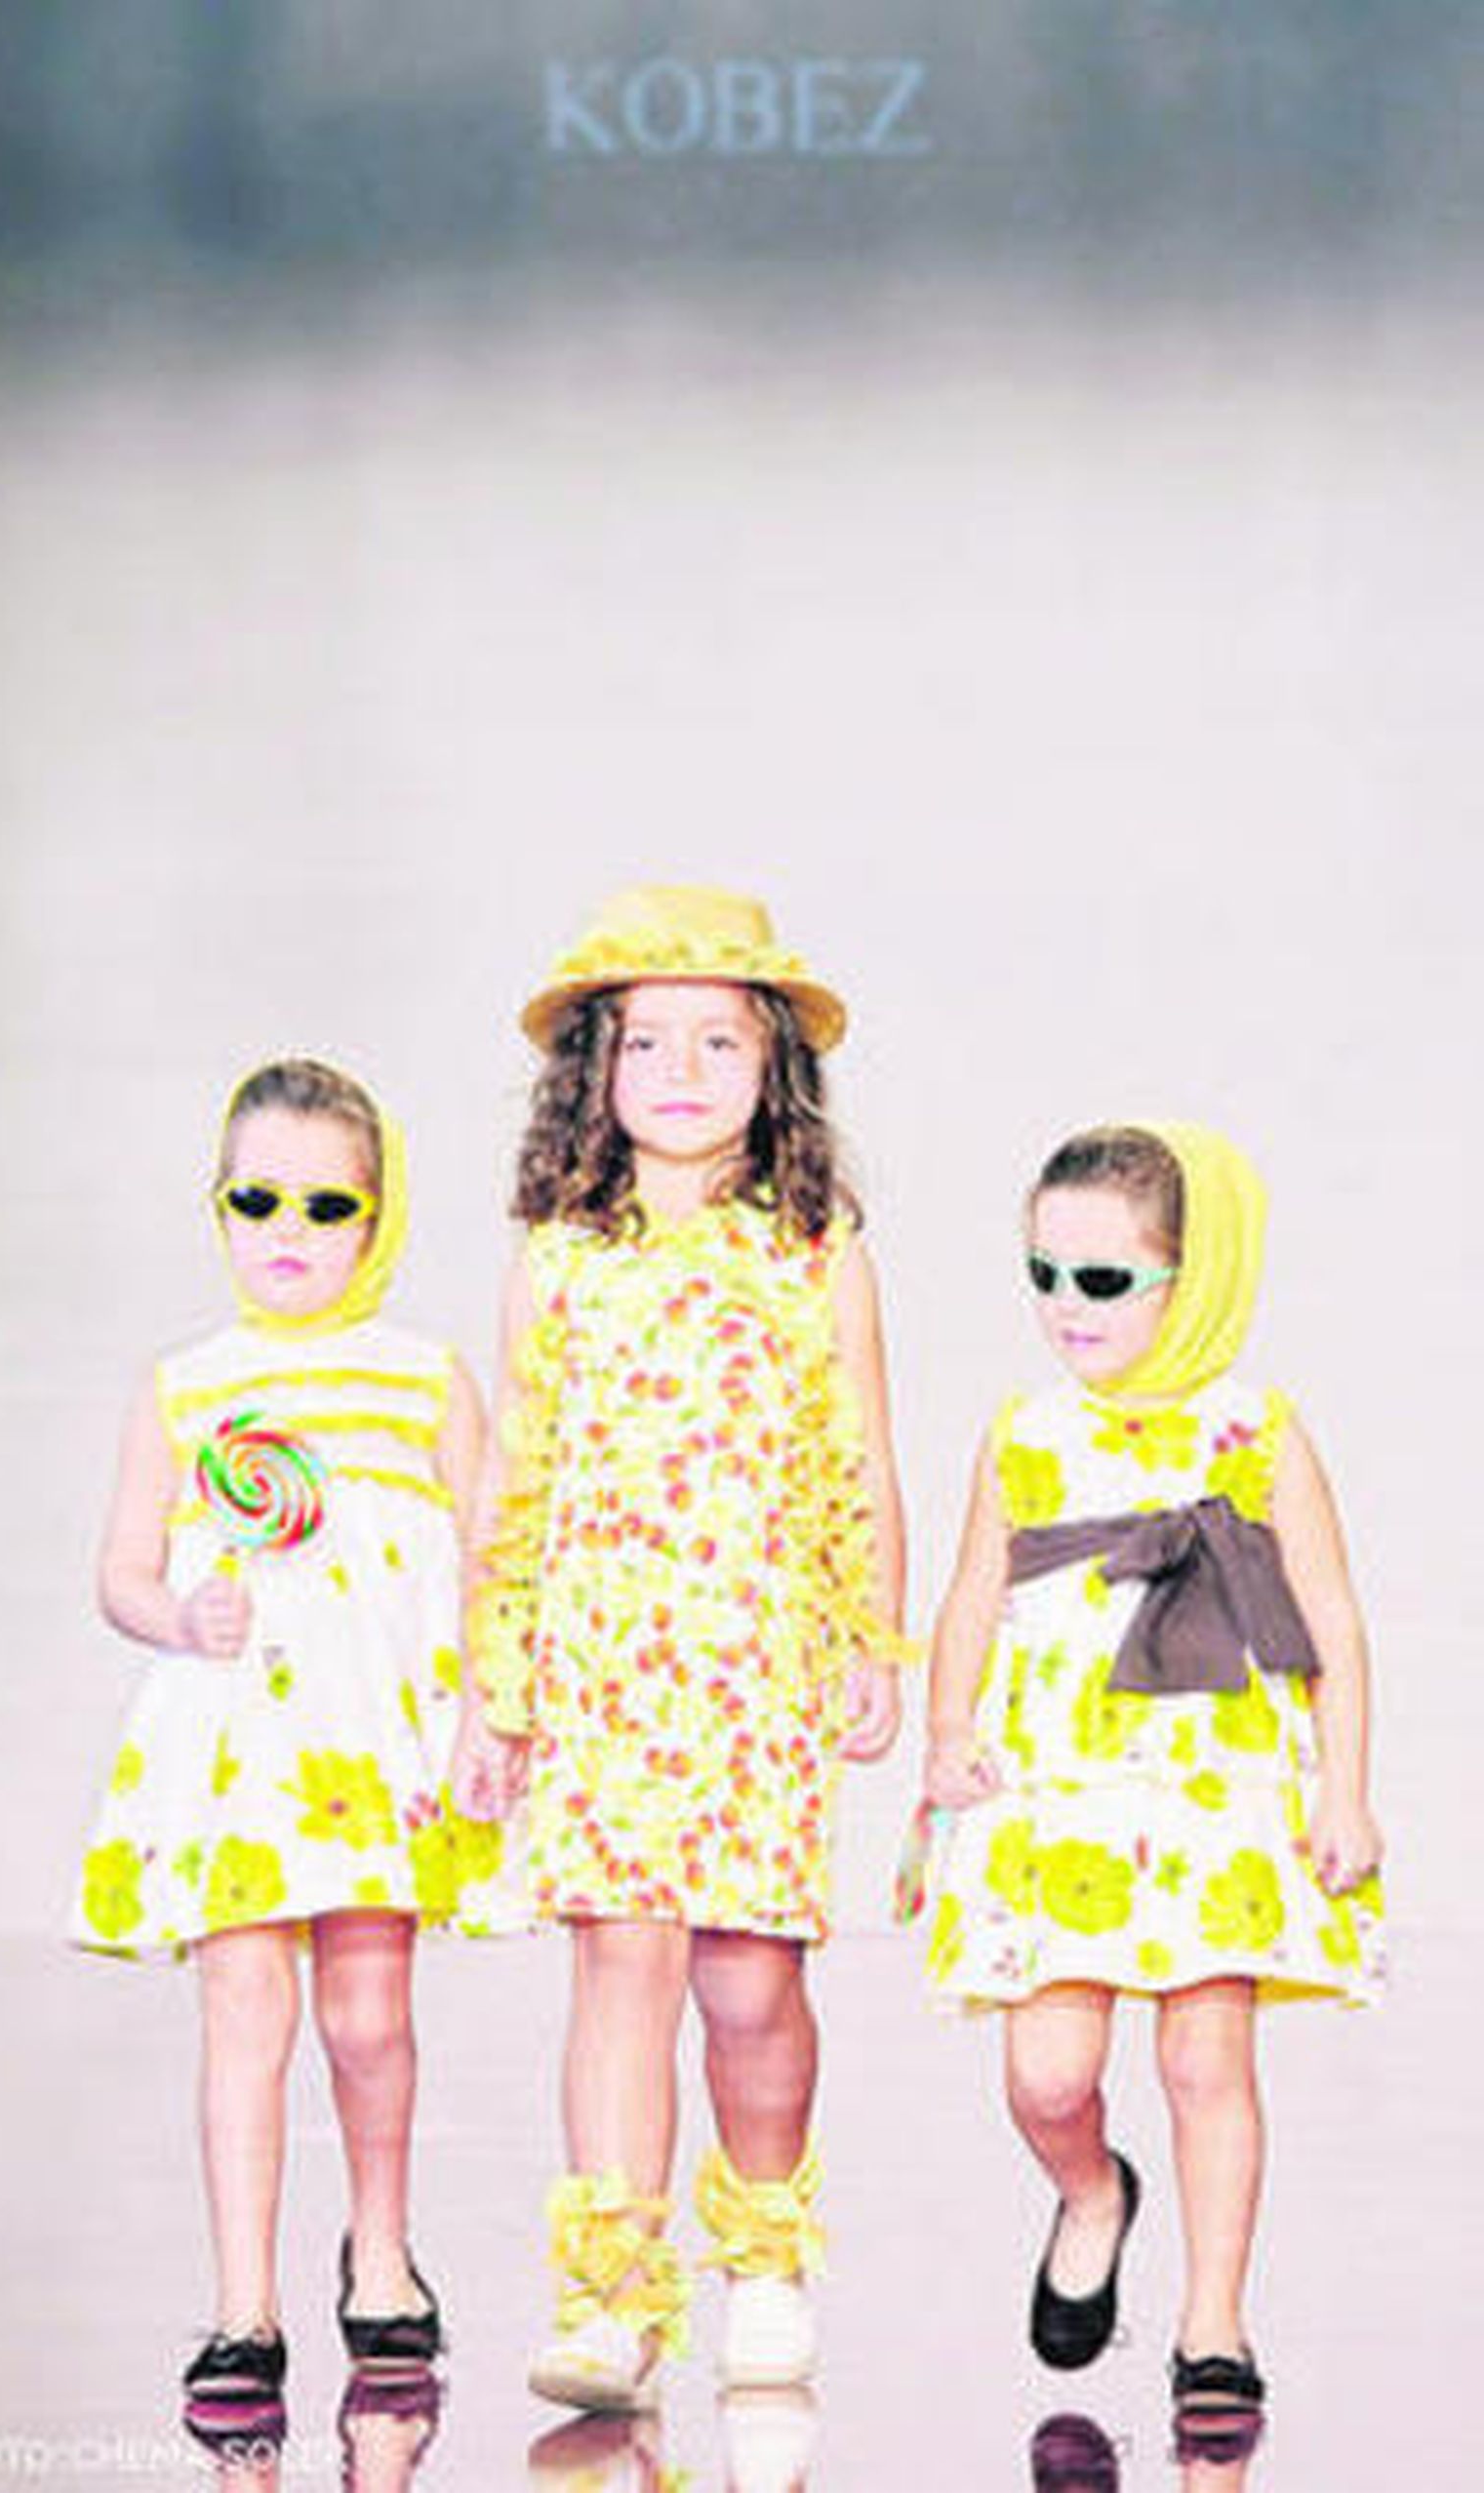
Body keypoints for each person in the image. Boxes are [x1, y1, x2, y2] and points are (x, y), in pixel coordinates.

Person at [455, 886, 909, 2411]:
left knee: (748, 1984)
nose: (682, 1071)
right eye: (646, 1042)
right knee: (617, 1973)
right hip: (601, 1662)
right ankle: (613, 2300)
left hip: (756, 1664)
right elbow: (516, 1475)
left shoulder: (812, 1250)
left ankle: (766, 2257)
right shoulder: (559, 1256)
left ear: (775, 1067)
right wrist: (497, 1683)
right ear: (594, 1070)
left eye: (720, 1041)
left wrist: (870, 1637)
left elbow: (862, 1452)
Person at [909, 1121, 1384, 2428]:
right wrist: (946, 1730)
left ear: (1198, 1274)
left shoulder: (1256, 1428)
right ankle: (1092, 2190)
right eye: (1044, 1274)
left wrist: (1345, 1789)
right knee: (1047, 2074)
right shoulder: (1024, 1431)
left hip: (1216, 1788)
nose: (1068, 1306)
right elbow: (970, 1599)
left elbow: (1335, 1622)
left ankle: (1212, 2322)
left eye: (1107, 1280)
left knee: (1205, 2057)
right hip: (1055, 1789)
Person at [71, 1058, 519, 2406]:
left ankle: (380, 2252)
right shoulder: (187, 1387)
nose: (288, 1231)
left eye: (328, 1207)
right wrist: (176, 1614)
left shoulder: (424, 1381)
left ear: (379, 1220)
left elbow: (493, 1564)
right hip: (236, 1752)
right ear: (216, 1205)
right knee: (243, 2015)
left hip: (374, 1748)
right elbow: (121, 1570)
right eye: (256, 1199)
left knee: (371, 2017)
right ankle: (243, 2306)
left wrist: (491, 1714)